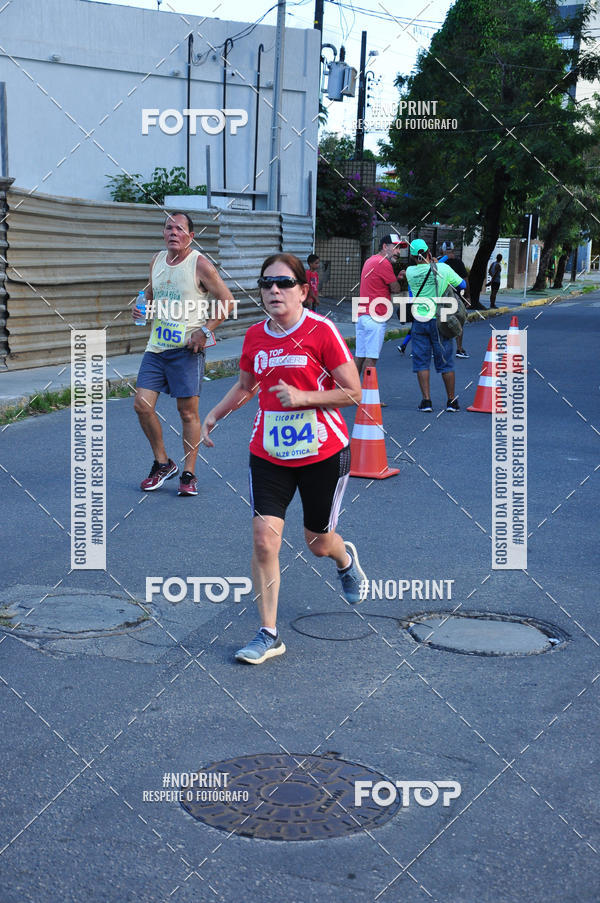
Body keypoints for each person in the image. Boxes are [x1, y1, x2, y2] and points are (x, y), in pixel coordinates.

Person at [201, 253, 366, 665]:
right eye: (266, 283)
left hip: (322, 453)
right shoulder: (255, 337)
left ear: (303, 291)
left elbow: (353, 392)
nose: (274, 290)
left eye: (284, 283)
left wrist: (304, 397)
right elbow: (246, 386)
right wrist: (215, 414)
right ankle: (268, 634)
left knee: (317, 543)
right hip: (269, 453)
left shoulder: (322, 331)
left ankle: (344, 558)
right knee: (263, 539)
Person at [133, 212, 235, 496]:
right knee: (142, 404)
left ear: (191, 236)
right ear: (163, 233)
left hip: (187, 349)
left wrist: (205, 330)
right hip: (157, 347)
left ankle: (189, 473)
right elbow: (150, 295)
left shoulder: (199, 264)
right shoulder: (156, 261)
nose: (173, 233)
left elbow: (227, 301)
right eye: (169, 228)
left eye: (180, 229)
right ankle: (162, 463)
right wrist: (142, 309)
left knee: (187, 412)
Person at [406, 238, 468, 413]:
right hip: (440, 320)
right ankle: (451, 401)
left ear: (413, 257)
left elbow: (411, 292)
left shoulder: (410, 272)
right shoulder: (443, 269)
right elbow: (462, 284)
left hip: (419, 321)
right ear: (428, 252)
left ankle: (426, 401)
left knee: (421, 362)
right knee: (445, 361)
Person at [355, 234, 404, 378]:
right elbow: (395, 289)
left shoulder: (371, 260)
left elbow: (379, 284)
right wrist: (400, 280)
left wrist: (395, 278)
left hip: (362, 316)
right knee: (371, 359)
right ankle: (368, 392)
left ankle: (350, 389)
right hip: (375, 317)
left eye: (399, 248)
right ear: (384, 246)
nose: (398, 252)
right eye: (395, 247)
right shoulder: (383, 262)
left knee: (360, 356)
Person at [441, 242, 471, 358]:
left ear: (442, 250)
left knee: (442, 322)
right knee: (459, 322)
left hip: (442, 297)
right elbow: (465, 281)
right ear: (453, 250)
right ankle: (459, 349)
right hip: (457, 297)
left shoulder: (439, 262)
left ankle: (441, 349)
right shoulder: (458, 262)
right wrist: (468, 296)